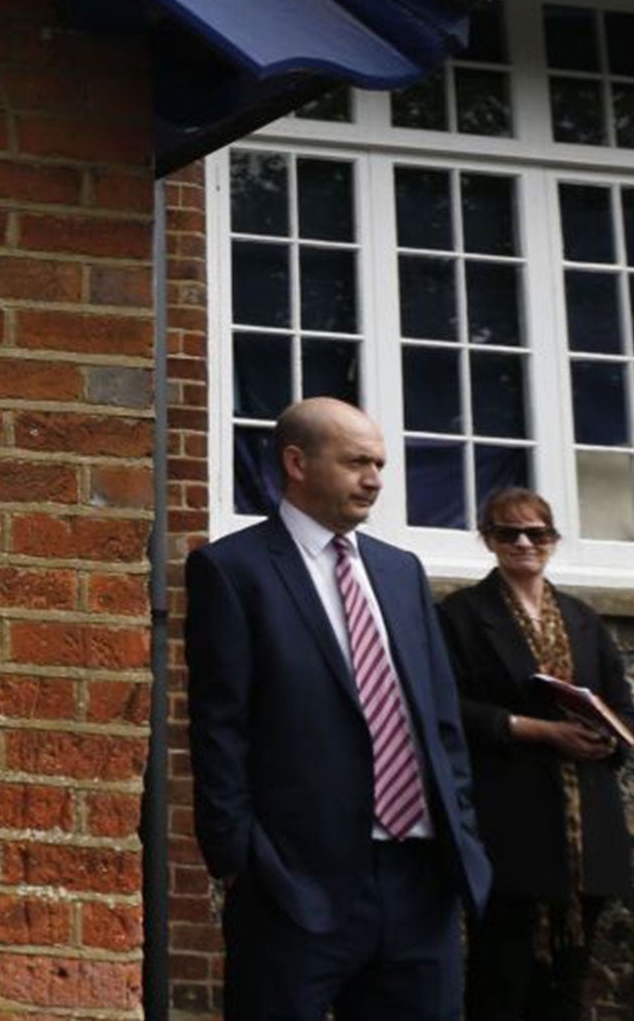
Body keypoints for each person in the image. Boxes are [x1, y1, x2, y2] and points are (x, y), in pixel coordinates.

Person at [185, 396, 491, 1021]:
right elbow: (220, 727)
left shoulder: (401, 571)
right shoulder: (233, 570)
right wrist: (240, 859)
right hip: (296, 883)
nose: (375, 480)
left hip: (420, 881)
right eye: (357, 463)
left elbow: (440, 721)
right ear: (296, 462)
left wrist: (459, 827)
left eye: (379, 463)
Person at [439, 489, 633, 1021]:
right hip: (512, 818)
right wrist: (538, 730)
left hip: (586, 828)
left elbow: (621, 704)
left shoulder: (583, 617)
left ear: (553, 541)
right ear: (488, 540)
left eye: (537, 533)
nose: (524, 543)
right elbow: (447, 706)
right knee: (500, 975)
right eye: (508, 532)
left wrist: (608, 735)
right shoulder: (461, 614)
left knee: (570, 980)